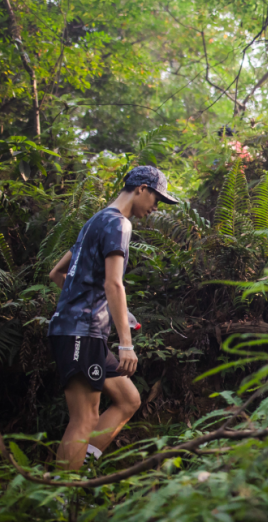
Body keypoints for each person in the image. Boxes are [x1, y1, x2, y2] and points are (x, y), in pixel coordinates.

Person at [46, 166, 179, 470]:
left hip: (79, 329)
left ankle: (83, 465)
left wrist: (100, 306)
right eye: (157, 199)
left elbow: (57, 273)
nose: (156, 208)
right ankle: (62, 500)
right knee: (85, 417)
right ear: (141, 188)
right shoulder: (119, 224)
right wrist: (126, 344)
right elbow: (113, 283)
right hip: (81, 332)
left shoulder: (95, 221)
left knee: (128, 399)